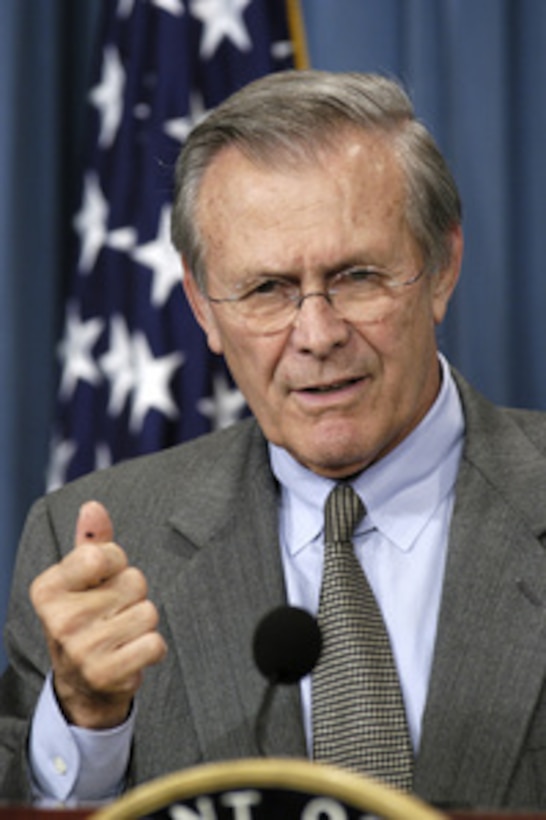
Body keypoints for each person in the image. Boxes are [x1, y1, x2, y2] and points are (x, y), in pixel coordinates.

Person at [2, 69, 546, 810]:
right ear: (202, 306)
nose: (316, 335)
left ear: (441, 268)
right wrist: (87, 723)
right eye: (266, 290)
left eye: (356, 277)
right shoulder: (92, 545)